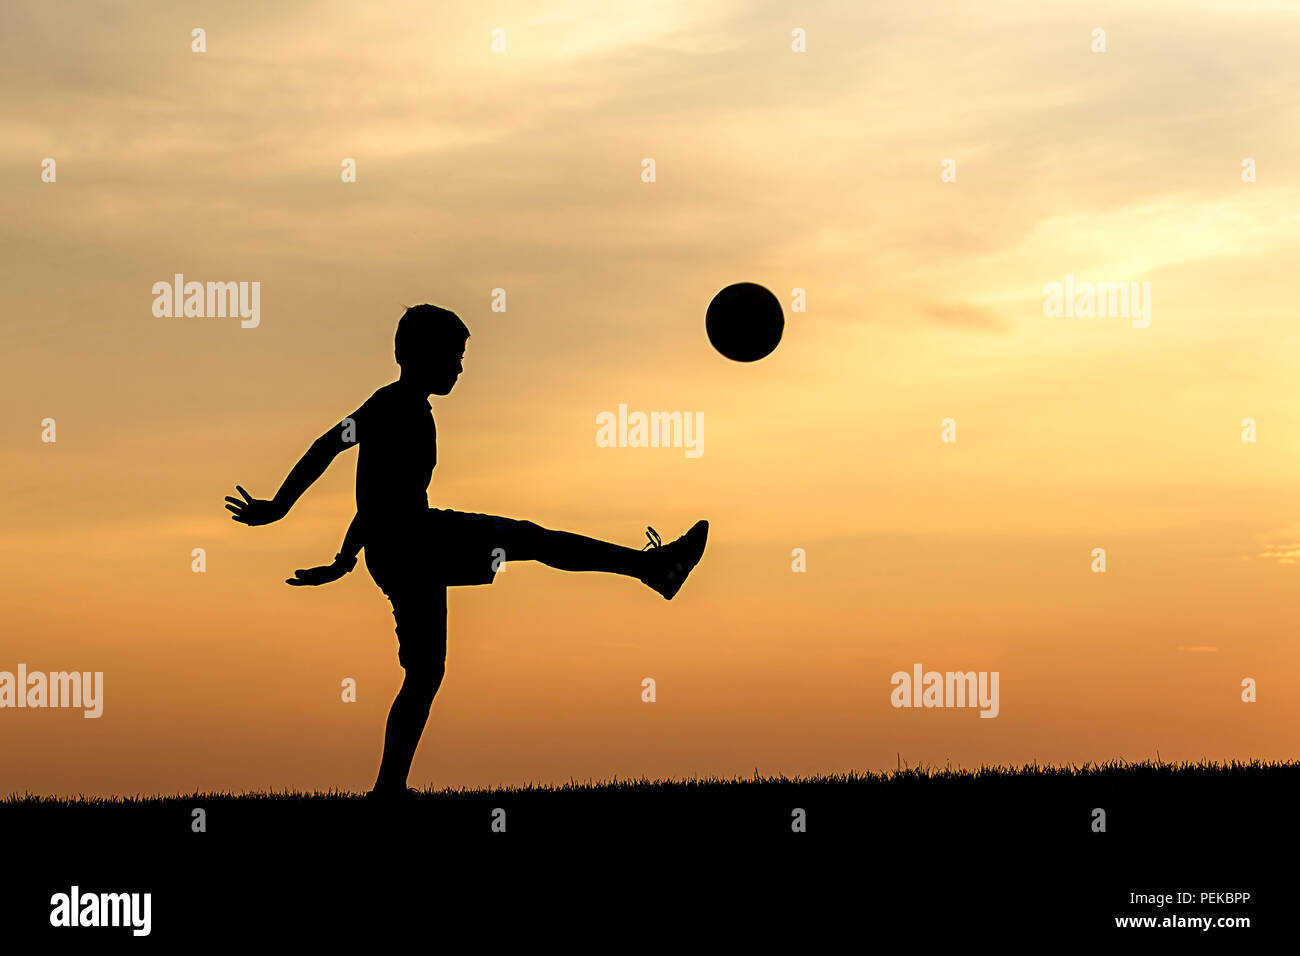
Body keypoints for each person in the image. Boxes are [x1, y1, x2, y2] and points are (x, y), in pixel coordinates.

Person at [225, 304, 708, 798]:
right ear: (415, 355)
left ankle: (389, 788)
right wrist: (280, 507)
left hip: (402, 550)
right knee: (529, 539)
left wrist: (345, 559)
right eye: (453, 356)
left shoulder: (407, 409)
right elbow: (327, 446)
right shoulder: (390, 406)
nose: (459, 367)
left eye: (461, 357)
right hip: (417, 544)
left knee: (427, 671)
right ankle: (652, 568)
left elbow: (375, 499)